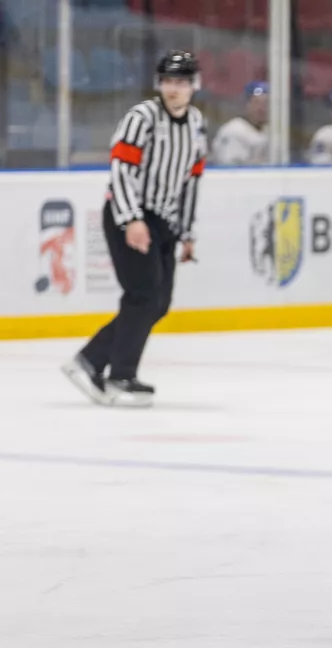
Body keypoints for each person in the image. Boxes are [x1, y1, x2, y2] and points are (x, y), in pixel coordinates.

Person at [60, 50, 207, 408]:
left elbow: (191, 181)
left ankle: (91, 360)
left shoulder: (196, 124)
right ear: (159, 83)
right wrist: (131, 219)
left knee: (159, 302)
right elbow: (121, 170)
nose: (174, 88)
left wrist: (187, 233)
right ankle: (120, 375)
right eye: (168, 81)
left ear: (194, 86)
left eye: (181, 82)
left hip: (165, 221)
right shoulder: (142, 117)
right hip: (130, 214)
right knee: (142, 294)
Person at [211, 80, 269, 166]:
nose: (261, 108)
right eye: (256, 102)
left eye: (265, 103)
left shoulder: (270, 131)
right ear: (246, 104)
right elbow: (231, 170)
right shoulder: (233, 131)